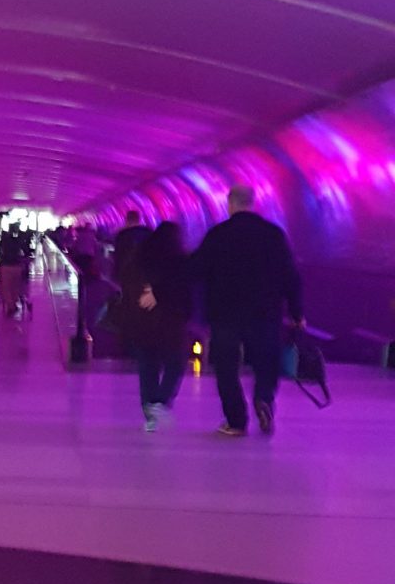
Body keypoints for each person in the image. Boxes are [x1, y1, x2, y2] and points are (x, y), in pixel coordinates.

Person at [189, 184, 304, 437]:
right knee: (266, 362)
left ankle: (236, 421)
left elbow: (195, 270)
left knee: (226, 367)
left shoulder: (218, 234)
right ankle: (263, 398)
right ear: (253, 203)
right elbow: (290, 276)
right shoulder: (274, 235)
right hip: (265, 311)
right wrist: (297, 313)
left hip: (225, 312)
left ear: (230, 204)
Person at [127, 222, 193, 432]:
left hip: (143, 320)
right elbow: (185, 291)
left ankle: (149, 412)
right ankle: (161, 402)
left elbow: (127, 281)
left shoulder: (140, 256)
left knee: (148, 366)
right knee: (176, 363)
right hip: (171, 323)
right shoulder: (180, 260)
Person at [112, 210, 152, 286]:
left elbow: (118, 254)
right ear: (139, 219)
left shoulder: (122, 234)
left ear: (126, 219)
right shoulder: (148, 232)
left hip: (126, 270)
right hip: (143, 271)